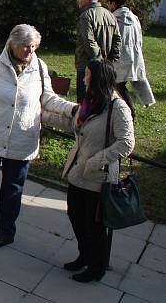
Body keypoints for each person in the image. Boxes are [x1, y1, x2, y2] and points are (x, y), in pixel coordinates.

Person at [0, 24, 76, 248]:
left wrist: (72, 109)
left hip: (21, 138)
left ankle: (6, 231)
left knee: (13, 188)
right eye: (26, 47)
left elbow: (48, 99)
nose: (30, 52)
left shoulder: (39, 67)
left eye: (34, 47)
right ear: (12, 44)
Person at [59, 59, 134, 283]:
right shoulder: (89, 101)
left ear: (98, 78)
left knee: (94, 224)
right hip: (77, 171)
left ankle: (96, 267)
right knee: (76, 216)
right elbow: (77, 126)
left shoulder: (117, 107)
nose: (84, 78)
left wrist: (97, 160)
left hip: (97, 176)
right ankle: (85, 255)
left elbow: (127, 143)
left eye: (88, 74)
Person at [106, 0, 155, 117]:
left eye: (108, 2)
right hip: (134, 56)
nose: (108, 5)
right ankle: (121, 112)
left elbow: (112, 39)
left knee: (117, 86)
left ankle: (129, 113)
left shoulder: (114, 18)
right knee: (120, 85)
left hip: (121, 58)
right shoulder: (134, 17)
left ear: (113, 3)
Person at [76, 0, 121, 102]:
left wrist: (99, 61)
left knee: (84, 100)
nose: (78, 1)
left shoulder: (86, 16)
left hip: (88, 66)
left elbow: (89, 41)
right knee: (100, 99)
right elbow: (117, 41)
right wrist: (109, 61)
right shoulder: (110, 15)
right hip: (105, 65)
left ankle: (83, 120)